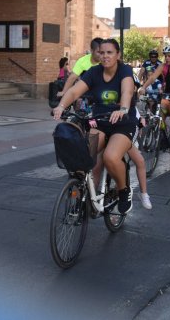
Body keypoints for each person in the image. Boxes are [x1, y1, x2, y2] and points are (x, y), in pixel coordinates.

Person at [53, 39, 136, 214]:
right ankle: (84, 195)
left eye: (110, 52)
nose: (105, 56)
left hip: (123, 122)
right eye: (102, 52)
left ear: (118, 55)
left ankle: (124, 191)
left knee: (110, 157)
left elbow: (127, 91)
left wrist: (123, 108)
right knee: (83, 156)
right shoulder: (94, 72)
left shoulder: (124, 70)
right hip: (100, 121)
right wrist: (61, 106)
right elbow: (75, 91)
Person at [138, 44, 170, 146]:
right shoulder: (163, 66)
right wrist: (143, 87)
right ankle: (163, 135)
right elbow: (152, 78)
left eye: (169, 56)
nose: (166, 58)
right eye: (165, 56)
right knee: (159, 110)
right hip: (168, 95)